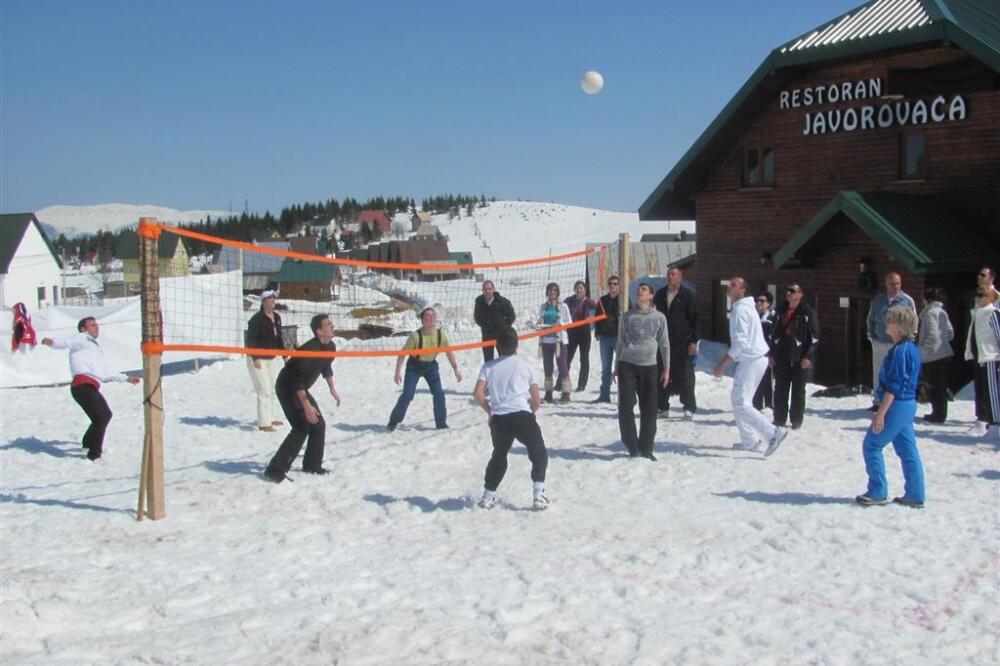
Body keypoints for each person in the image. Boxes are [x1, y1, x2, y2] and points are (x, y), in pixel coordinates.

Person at [41, 317, 141, 460]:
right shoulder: (81, 338)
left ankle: (88, 446)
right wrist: (52, 342)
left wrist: (126, 378)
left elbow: (104, 373)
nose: (96, 327)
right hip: (82, 385)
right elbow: (66, 342)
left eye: (96, 325)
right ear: (83, 329)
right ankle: (94, 454)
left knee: (102, 417)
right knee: (102, 416)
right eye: (92, 325)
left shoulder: (93, 346)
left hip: (88, 386)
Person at [856, 306, 925, 508]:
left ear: (900, 326)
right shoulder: (910, 349)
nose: (887, 323)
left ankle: (877, 491)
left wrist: (881, 413)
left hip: (898, 404)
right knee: (907, 449)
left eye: (891, 320)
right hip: (908, 404)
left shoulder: (900, 351)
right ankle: (915, 494)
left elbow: (894, 385)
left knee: (872, 445)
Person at [472, 327, 548, 510]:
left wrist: (490, 411)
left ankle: (487, 496)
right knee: (539, 454)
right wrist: (531, 412)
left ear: (497, 346)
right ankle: (538, 494)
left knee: (499, 456)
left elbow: (477, 394)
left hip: (500, 419)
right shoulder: (525, 365)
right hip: (522, 416)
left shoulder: (489, 366)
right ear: (517, 344)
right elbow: (536, 400)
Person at [713, 277, 788, 457]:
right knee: (738, 400)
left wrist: (722, 364)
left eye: (734, 285)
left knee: (741, 402)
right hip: (752, 359)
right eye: (729, 284)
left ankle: (773, 433)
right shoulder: (744, 308)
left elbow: (740, 342)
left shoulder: (740, 310)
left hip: (752, 359)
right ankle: (750, 441)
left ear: (742, 290)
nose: (729, 287)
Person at [263, 314, 341, 482]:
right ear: (319, 331)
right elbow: (297, 380)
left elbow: (326, 367)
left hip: (301, 388)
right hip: (287, 387)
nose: (332, 326)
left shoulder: (331, 346)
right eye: (328, 324)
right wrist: (306, 406)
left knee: (318, 425)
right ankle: (275, 469)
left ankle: (312, 465)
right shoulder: (309, 350)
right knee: (301, 426)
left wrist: (332, 389)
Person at [615, 283, 670, 460]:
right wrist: (616, 366)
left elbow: (664, 344)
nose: (640, 291)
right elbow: (620, 341)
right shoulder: (627, 316)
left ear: (651, 296)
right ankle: (632, 447)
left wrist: (667, 368)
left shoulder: (659, 317)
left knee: (650, 409)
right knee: (625, 406)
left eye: (644, 289)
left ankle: (646, 448)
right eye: (639, 289)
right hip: (627, 365)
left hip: (650, 366)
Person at [388, 308, 462, 431]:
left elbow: (449, 352)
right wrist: (397, 372)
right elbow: (402, 354)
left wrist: (455, 368)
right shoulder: (415, 336)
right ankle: (394, 420)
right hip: (414, 366)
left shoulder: (441, 335)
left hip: (431, 366)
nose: (431, 317)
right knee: (408, 395)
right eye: (428, 315)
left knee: (439, 394)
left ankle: (441, 423)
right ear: (422, 320)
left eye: (433, 315)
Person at [769, 284, 819, 430]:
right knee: (780, 388)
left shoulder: (807, 312)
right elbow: (773, 334)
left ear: (800, 294)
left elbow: (815, 336)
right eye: (787, 290)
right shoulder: (780, 311)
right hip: (782, 353)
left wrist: (808, 356)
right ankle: (779, 418)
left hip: (800, 354)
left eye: (792, 291)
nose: (789, 293)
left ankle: (796, 419)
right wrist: (771, 354)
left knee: (798, 389)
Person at [653, 266, 698, 418]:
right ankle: (662, 406)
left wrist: (693, 341)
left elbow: (695, 319)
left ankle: (689, 406)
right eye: (668, 274)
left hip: (682, 342)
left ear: (680, 277)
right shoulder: (660, 294)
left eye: (673, 274)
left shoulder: (687, 295)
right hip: (662, 342)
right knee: (662, 373)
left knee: (686, 375)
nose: (670, 277)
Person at [866, 272, 916, 410]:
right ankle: (878, 402)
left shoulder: (907, 301)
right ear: (886, 284)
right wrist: (872, 338)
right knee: (879, 372)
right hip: (880, 342)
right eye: (892, 284)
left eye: (898, 283)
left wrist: (909, 340)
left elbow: (913, 322)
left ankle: (895, 402)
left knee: (897, 372)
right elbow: (870, 319)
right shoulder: (878, 301)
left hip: (898, 344)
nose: (895, 286)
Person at [246, 290, 286, 432]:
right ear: (263, 302)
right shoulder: (256, 319)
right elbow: (250, 340)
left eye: (274, 298)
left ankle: (271, 417)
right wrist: (255, 358)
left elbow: (279, 338)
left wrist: (285, 356)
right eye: (270, 298)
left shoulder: (277, 317)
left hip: (270, 357)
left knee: (274, 388)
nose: (273, 300)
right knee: (264, 390)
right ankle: (264, 423)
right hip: (257, 358)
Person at [964, 289, 1000, 438]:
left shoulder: (993, 313)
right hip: (980, 357)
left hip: (991, 357)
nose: (978, 298)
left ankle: (996, 423)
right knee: (982, 392)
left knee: (992, 393)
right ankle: (988, 422)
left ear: (990, 298)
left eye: (981, 295)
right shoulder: (978, 313)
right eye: (977, 295)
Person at [917, 287, 954, 423]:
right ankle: (940, 413)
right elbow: (950, 332)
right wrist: (943, 342)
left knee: (934, 386)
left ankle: (937, 415)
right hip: (945, 353)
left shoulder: (929, 313)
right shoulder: (942, 312)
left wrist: (923, 350)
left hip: (933, 355)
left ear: (927, 299)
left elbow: (932, 335)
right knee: (941, 386)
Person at [538, 282, 572, 403]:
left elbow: (569, 322)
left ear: (557, 292)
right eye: (550, 290)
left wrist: (560, 324)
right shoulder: (543, 307)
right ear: (547, 292)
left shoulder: (563, 306)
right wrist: (539, 325)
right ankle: (548, 393)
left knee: (562, 366)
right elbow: (540, 321)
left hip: (559, 341)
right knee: (548, 367)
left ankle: (566, 392)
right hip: (546, 340)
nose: (552, 292)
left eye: (554, 290)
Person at [564, 280, 598, 392]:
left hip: (584, 331)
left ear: (585, 290)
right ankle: (561, 382)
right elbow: (561, 309)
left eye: (581, 288)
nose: (579, 290)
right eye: (577, 288)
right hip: (572, 331)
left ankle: (582, 384)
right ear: (574, 290)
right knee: (567, 357)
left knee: (584, 358)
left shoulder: (588, 301)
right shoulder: (569, 300)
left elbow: (599, 308)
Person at [593, 275, 621, 403]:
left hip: (619, 337)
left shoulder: (623, 300)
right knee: (606, 368)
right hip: (605, 337)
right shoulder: (602, 300)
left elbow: (629, 317)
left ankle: (623, 397)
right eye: (610, 283)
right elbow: (597, 317)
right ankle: (604, 396)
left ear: (619, 285)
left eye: (615, 283)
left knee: (622, 368)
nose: (612, 286)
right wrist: (598, 332)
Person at [473, 280, 516, 361]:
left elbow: (512, 316)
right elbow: (477, 317)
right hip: (487, 334)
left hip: (501, 335)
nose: (487, 291)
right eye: (485, 289)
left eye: (489, 289)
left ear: (493, 289)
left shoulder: (502, 301)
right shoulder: (479, 302)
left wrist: (504, 327)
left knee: (503, 358)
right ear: (482, 290)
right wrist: (485, 325)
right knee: (488, 360)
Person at [752, 292, 775, 411]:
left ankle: (769, 405)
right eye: (757, 301)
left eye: (762, 301)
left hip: (767, 354)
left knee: (767, 380)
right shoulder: (753, 317)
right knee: (755, 380)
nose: (759, 303)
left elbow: (774, 338)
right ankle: (757, 405)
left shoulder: (772, 318)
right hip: (754, 354)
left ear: (768, 304)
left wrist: (772, 354)